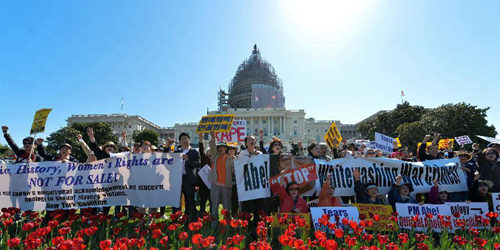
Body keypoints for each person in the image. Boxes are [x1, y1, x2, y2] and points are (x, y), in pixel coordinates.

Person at [167, 132, 200, 221]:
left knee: (190, 199)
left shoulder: (194, 152)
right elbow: (170, 155)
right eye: (182, 139)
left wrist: (188, 160)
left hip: (188, 179)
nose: (184, 141)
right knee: (176, 198)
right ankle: (176, 218)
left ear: (189, 140)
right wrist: (169, 145)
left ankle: (190, 218)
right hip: (178, 178)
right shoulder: (178, 151)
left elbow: (197, 164)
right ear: (180, 142)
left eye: (186, 138)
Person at [208, 132, 234, 221]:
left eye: (223, 147)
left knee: (227, 206)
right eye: (219, 147)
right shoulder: (214, 157)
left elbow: (235, 171)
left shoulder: (230, 159)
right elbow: (212, 147)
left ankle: (227, 224)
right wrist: (213, 138)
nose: (221, 148)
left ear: (226, 149)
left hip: (226, 186)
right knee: (214, 205)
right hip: (215, 184)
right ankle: (214, 224)